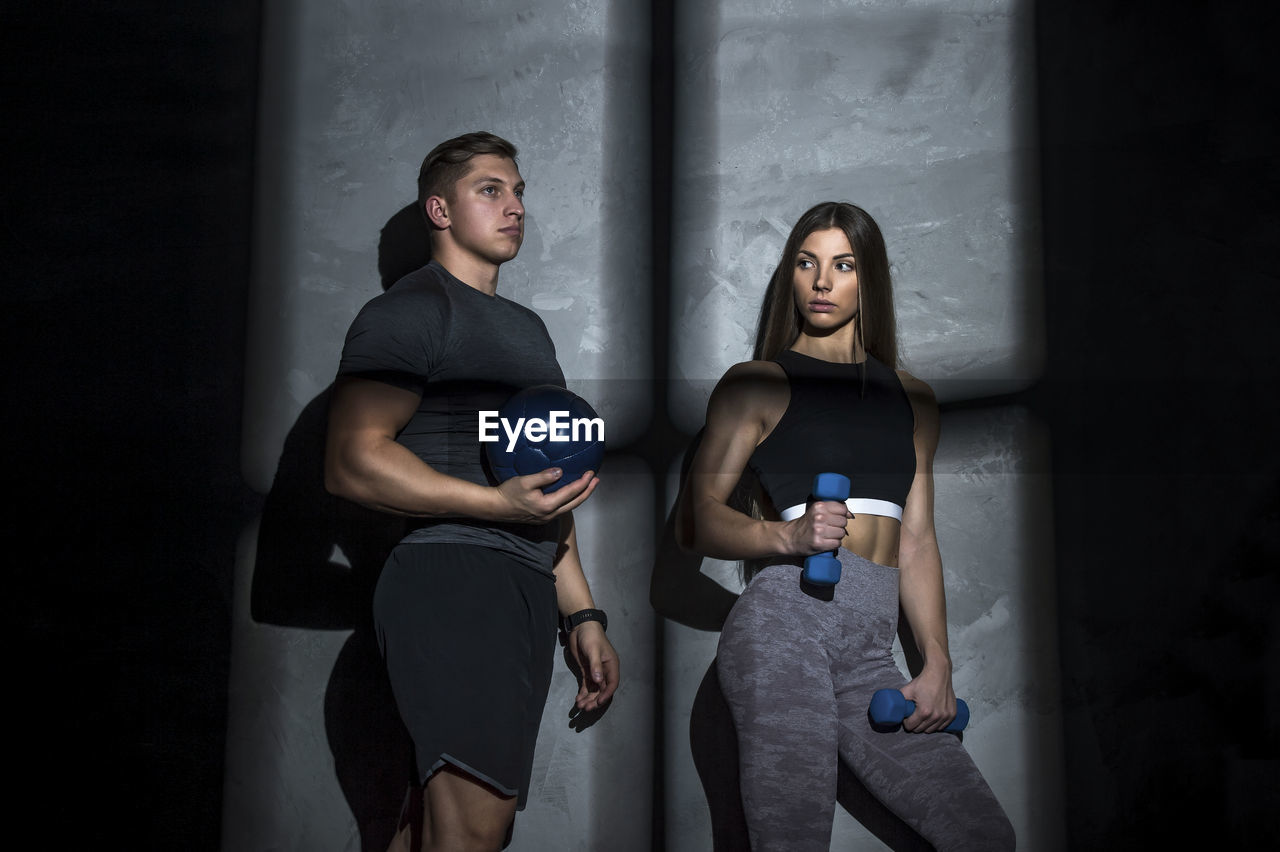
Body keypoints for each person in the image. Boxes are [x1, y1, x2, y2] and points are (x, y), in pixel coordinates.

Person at [675, 201, 1014, 850]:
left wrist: (937, 663)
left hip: (868, 647)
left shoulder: (912, 399)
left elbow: (915, 540)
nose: (822, 281)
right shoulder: (757, 384)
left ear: (868, 279)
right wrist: (788, 537)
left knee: (981, 834)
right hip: (783, 629)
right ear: (791, 277)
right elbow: (695, 523)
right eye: (807, 263)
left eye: (843, 265)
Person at [325, 131, 620, 852]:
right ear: (440, 209)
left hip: (518, 584)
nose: (514, 206)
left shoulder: (528, 332)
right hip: (450, 577)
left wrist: (581, 612)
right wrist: (497, 508)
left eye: (519, 191)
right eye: (491, 190)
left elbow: (545, 484)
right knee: (471, 832)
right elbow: (351, 461)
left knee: (431, 833)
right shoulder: (411, 311)